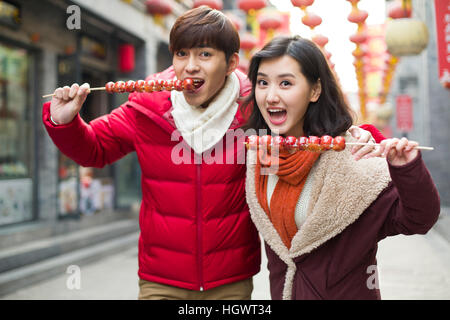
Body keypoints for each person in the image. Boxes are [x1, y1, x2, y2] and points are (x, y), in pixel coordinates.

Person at [42, 7, 381, 300]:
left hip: (230, 281)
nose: (190, 66)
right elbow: (94, 150)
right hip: (160, 279)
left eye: (204, 55)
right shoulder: (145, 109)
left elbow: (316, 129)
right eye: (181, 54)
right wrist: (64, 121)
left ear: (232, 62)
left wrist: (366, 136)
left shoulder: (256, 110)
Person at [242, 35, 441, 300]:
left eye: (286, 83)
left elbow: (418, 219)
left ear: (315, 90)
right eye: (263, 83)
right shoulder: (260, 160)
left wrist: (406, 168)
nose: (271, 96)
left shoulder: (354, 159)